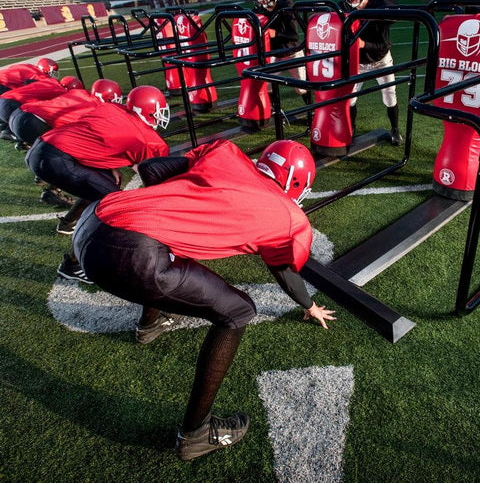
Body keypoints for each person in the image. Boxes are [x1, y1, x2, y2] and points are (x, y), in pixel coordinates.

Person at [72, 138, 336, 460]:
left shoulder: (226, 155)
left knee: (169, 244)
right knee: (238, 311)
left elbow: (152, 168)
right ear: (298, 183)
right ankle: (196, 434)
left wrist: (175, 205)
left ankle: (150, 325)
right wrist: (308, 305)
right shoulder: (290, 217)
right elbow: (283, 267)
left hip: (93, 220)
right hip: (130, 252)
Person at [25, 85, 171, 277]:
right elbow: (155, 182)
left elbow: (92, 133)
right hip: (56, 159)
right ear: (149, 111)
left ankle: (69, 223)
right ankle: (75, 265)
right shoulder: (147, 139)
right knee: (112, 206)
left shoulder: (112, 109)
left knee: (102, 186)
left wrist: (110, 165)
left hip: (42, 147)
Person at [10, 79, 124, 225]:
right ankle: (56, 196)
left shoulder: (80, 93)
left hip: (20, 114)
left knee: (57, 150)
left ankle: (45, 181)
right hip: (35, 123)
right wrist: (110, 166)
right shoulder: (97, 108)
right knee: (67, 155)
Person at [341, 0, 401, 146]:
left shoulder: (379, 8)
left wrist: (363, 44)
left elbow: (383, 46)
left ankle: (395, 129)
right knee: (350, 98)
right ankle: (351, 130)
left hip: (380, 60)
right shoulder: (346, 9)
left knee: (389, 96)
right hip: (358, 62)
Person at [252, 0, 311, 108]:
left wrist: (275, 33)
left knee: (301, 88)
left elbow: (294, 35)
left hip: (291, 53)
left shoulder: (286, 7)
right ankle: (276, 111)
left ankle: (311, 113)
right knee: (267, 84)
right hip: (275, 53)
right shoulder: (260, 10)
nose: (261, 0)